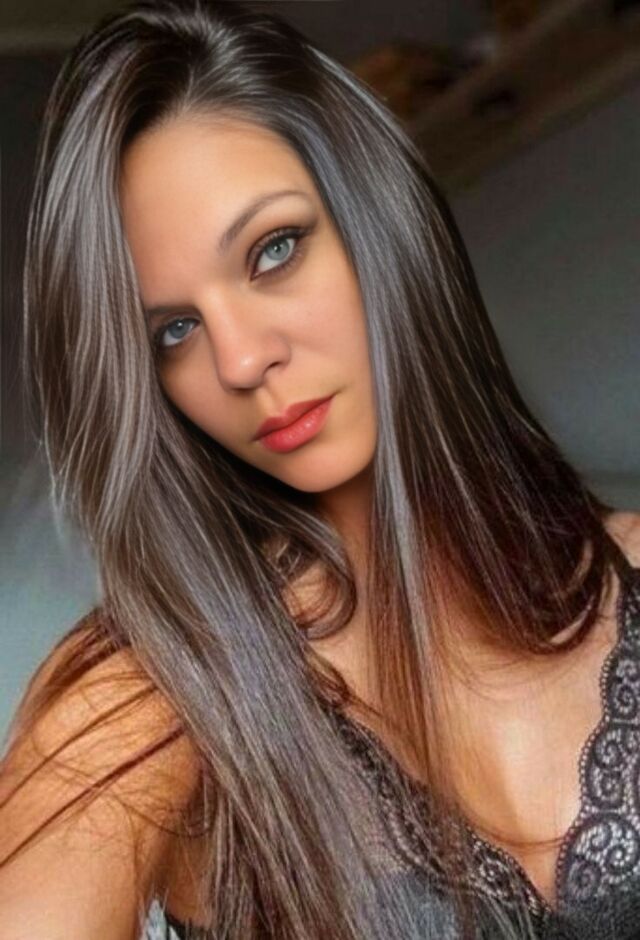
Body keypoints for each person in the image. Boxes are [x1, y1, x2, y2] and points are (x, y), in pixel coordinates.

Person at [1, 1, 638, 937]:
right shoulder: (166, 685)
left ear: (378, 221)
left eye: (273, 251)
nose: (239, 359)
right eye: (173, 331)